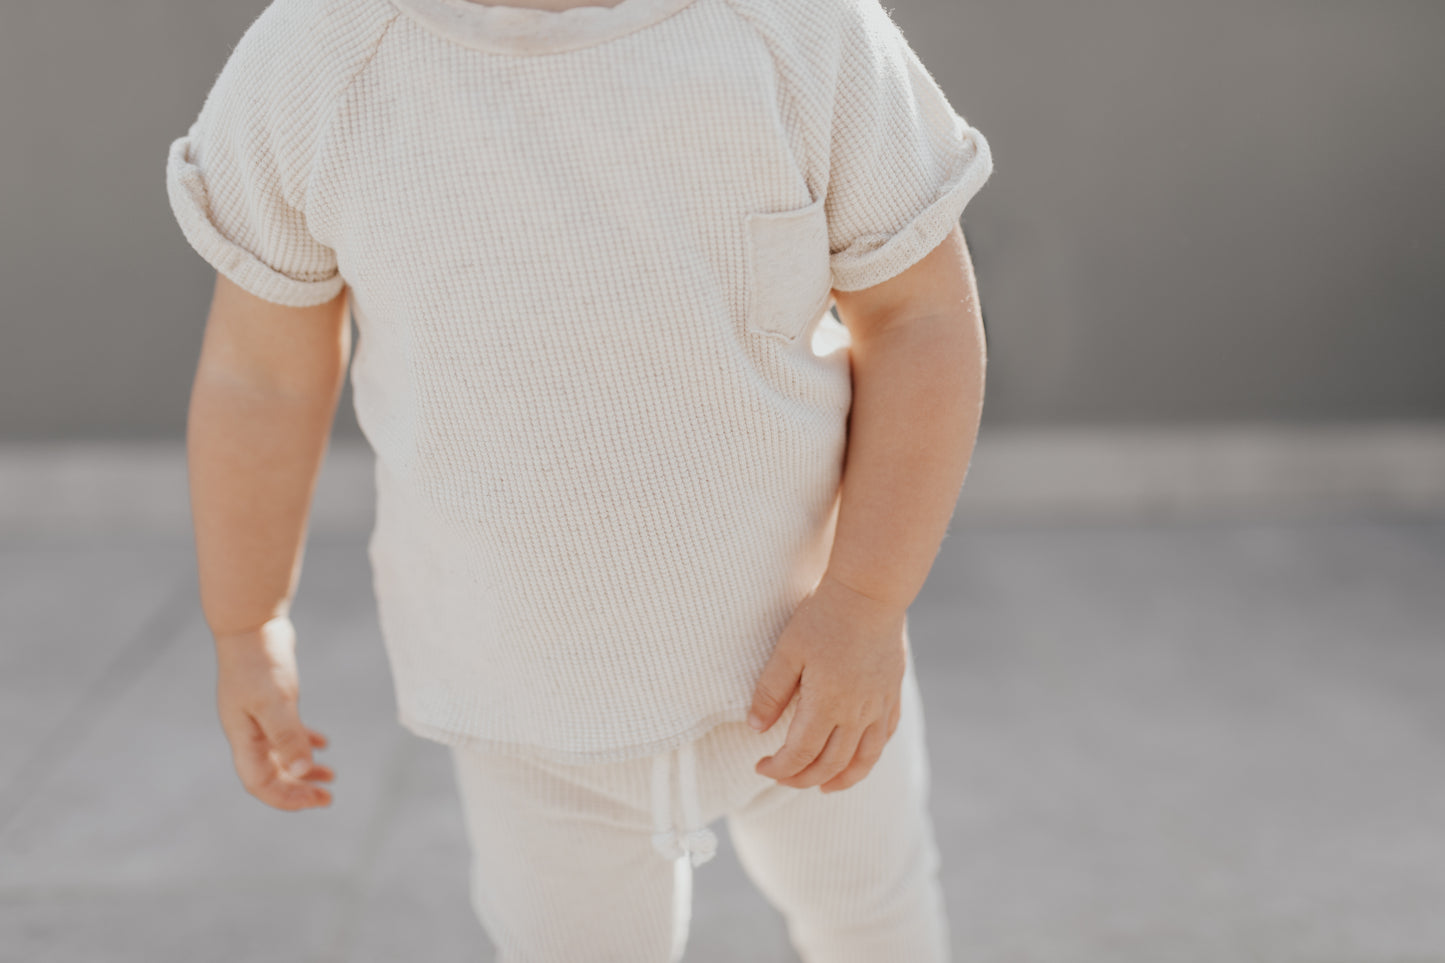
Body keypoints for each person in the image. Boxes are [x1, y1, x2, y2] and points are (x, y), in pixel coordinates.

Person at [166, 0, 993, 958]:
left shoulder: (798, 29)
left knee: (872, 920)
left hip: (810, 654)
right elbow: (258, 376)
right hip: (525, 702)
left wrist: (864, 601)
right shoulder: (320, 58)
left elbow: (917, 319)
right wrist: (246, 619)